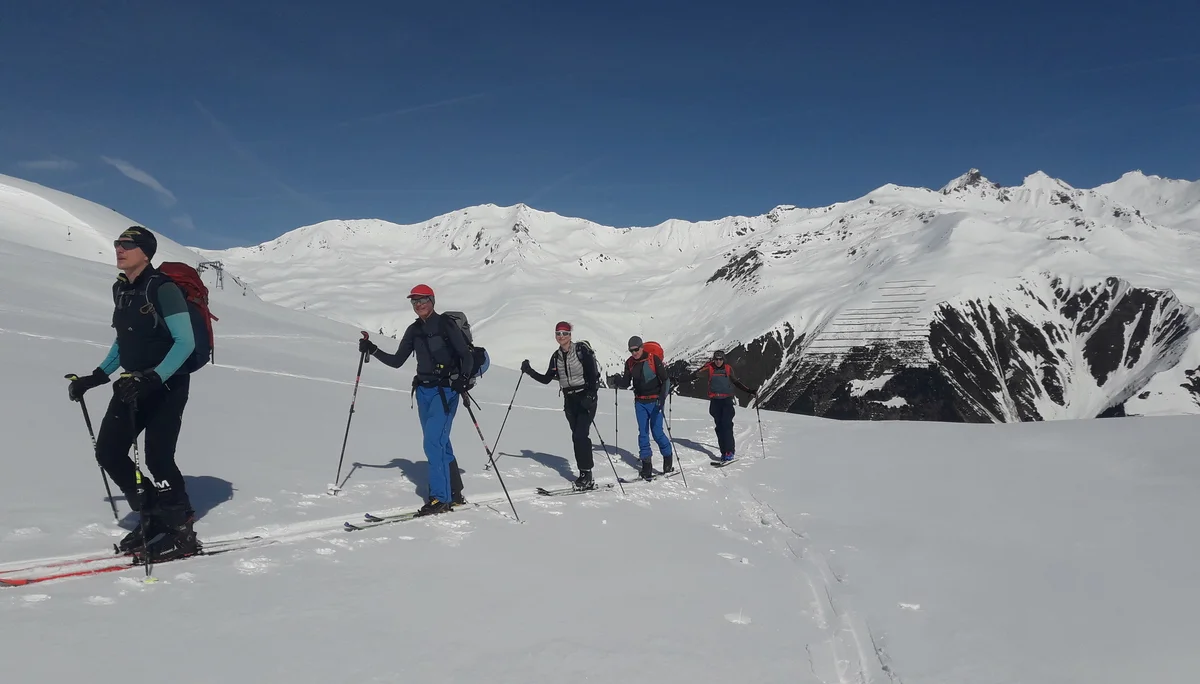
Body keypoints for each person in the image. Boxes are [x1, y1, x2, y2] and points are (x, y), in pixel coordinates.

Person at [65, 226, 201, 562]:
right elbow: (123, 340)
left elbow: (186, 342)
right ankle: (153, 513)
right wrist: (96, 376)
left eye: (127, 244)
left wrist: (154, 378)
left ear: (145, 251)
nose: (119, 249)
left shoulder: (163, 288)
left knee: (158, 458)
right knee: (109, 452)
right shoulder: (122, 290)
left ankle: (181, 529)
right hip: (131, 384)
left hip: (166, 386)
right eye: (117, 243)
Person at [359, 284, 472, 516]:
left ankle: (440, 498)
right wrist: (373, 349)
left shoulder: (445, 324)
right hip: (423, 391)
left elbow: (466, 356)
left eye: (423, 300)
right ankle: (455, 493)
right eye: (415, 301)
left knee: (432, 443)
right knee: (440, 442)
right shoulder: (413, 330)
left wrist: (462, 379)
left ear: (432, 300)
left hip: (446, 391)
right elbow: (397, 361)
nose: (419, 304)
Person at [520, 321, 601, 490]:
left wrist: (591, 395)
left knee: (581, 435)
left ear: (570, 335)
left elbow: (593, 375)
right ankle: (584, 474)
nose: (561, 336)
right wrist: (529, 370)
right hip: (569, 400)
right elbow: (546, 379)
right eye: (558, 333)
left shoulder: (581, 351)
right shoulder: (556, 356)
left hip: (585, 396)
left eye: (564, 333)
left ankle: (587, 474)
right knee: (576, 436)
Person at [616, 336, 674, 480]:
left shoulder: (653, 359)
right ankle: (646, 465)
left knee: (657, 433)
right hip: (640, 402)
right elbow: (626, 381)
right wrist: (617, 380)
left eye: (636, 349)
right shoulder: (630, 363)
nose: (634, 353)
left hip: (655, 401)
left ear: (642, 347)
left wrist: (662, 398)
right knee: (643, 433)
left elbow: (665, 380)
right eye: (631, 350)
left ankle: (668, 459)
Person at [693, 350, 757, 462]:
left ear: (723, 359)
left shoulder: (728, 369)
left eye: (720, 359)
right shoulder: (709, 369)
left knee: (726, 425)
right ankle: (724, 452)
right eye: (716, 359)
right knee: (719, 428)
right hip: (715, 402)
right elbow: (695, 375)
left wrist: (749, 391)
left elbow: (736, 382)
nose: (718, 361)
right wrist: (679, 379)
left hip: (726, 401)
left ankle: (729, 452)